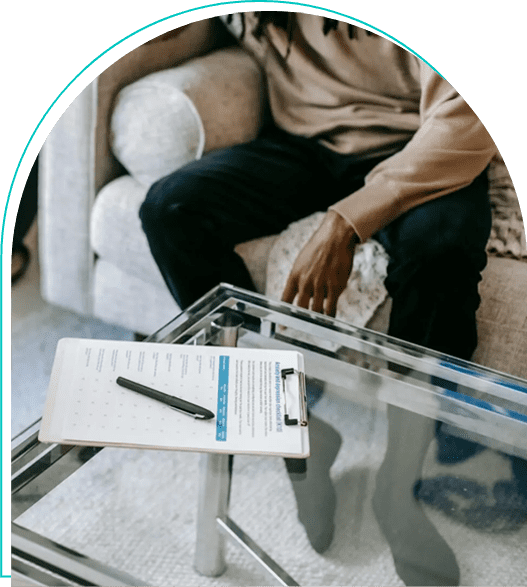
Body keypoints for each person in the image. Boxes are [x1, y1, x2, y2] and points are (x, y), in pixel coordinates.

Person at [140, 12, 497, 585]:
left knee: (442, 251)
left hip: (414, 144)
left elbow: (470, 118)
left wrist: (344, 223)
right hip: (302, 147)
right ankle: (296, 434)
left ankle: (399, 488)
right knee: (170, 210)